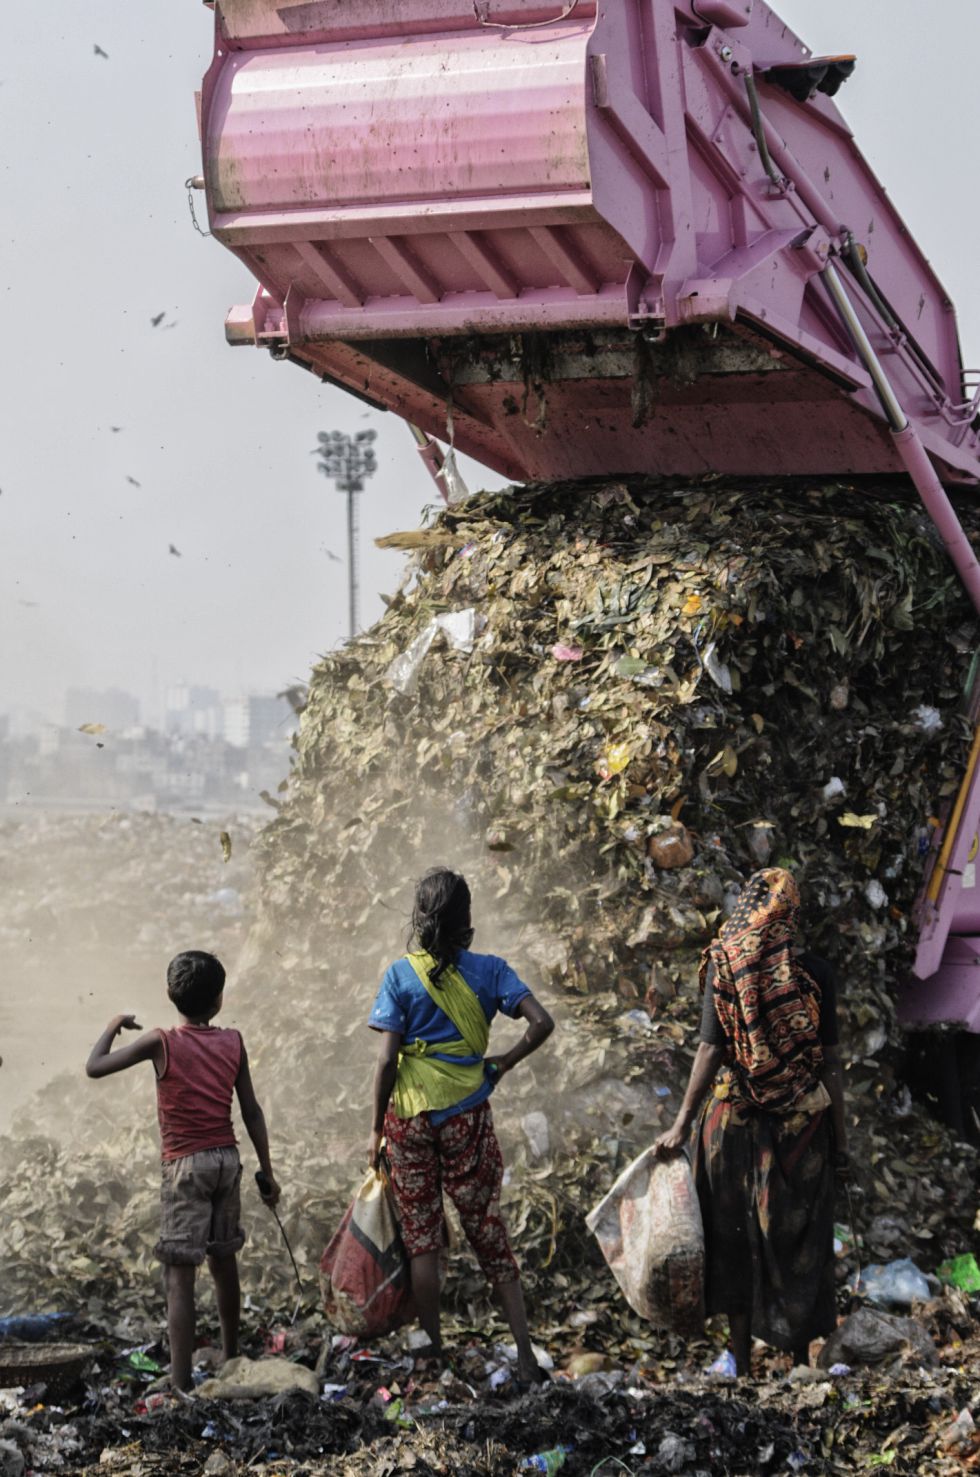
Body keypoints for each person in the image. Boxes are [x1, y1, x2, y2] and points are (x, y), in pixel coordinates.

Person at [653, 867, 847, 1377]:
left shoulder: (726, 966)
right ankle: (797, 1358)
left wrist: (681, 1123)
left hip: (732, 1126)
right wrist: (841, 1139)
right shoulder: (815, 974)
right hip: (799, 1132)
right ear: (791, 913)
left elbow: (710, 1051)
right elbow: (831, 1063)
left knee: (733, 1241)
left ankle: (740, 1363)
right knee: (797, 1243)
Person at [367, 866, 554, 1389]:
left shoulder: (400, 976)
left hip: (408, 1119)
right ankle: (523, 1355)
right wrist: (501, 1063)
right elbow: (542, 1023)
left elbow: (385, 1063)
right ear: (467, 923)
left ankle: (431, 1356)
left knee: (422, 1240)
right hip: (468, 1117)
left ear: (418, 919)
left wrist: (375, 1130)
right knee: (487, 1230)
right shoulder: (491, 971)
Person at [85, 949, 280, 1391]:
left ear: (171, 996)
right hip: (226, 1161)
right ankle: (231, 1354)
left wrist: (114, 1025)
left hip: (185, 1166)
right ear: (219, 1000)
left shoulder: (161, 1041)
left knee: (179, 1275)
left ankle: (180, 1383)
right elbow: (250, 1110)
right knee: (224, 1257)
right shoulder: (233, 1041)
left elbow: (94, 1067)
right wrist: (267, 1173)